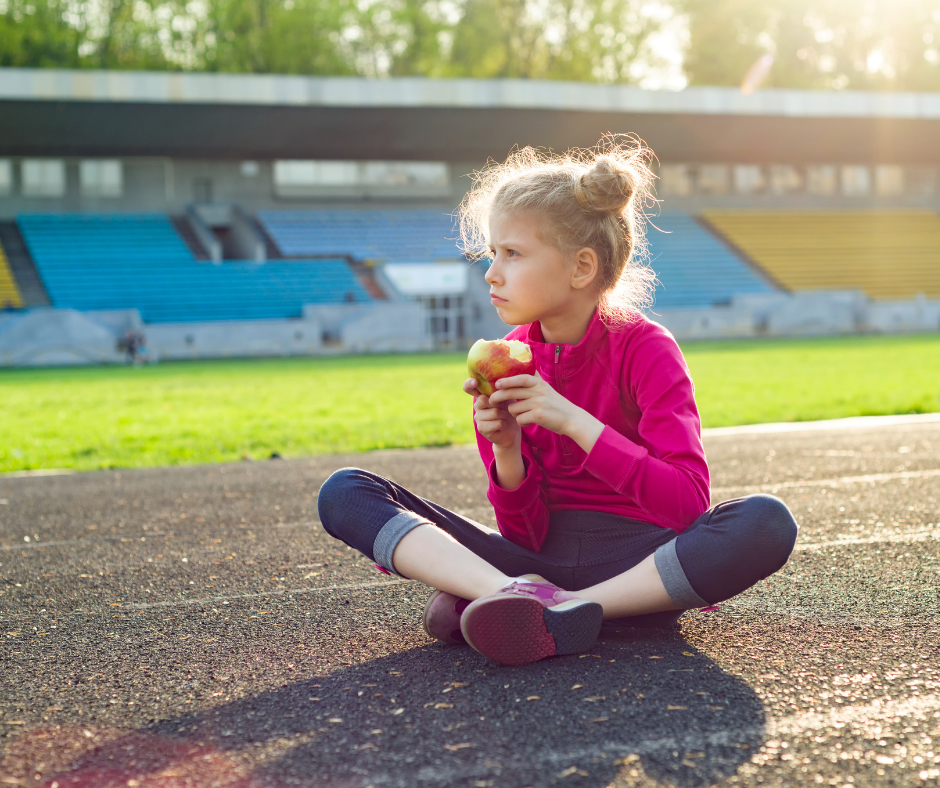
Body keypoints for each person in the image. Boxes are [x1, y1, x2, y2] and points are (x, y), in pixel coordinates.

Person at [317, 138, 798, 666]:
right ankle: (518, 598)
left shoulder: (647, 348)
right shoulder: (505, 360)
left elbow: (686, 505)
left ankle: (563, 606)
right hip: (531, 561)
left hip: (637, 563)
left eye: (513, 254)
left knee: (765, 522)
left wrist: (575, 423)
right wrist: (507, 455)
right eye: (492, 253)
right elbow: (524, 534)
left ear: (581, 267)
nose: (492, 272)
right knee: (347, 492)